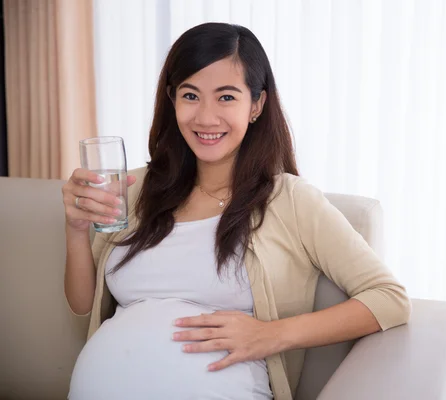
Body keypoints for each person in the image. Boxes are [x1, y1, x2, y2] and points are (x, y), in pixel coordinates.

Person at [62, 22, 411, 400]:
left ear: (256, 105)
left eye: (226, 97)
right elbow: (82, 307)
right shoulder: (133, 189)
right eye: (190, 95)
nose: (205, 117)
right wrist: (76, 230)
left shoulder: (289, 200)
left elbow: (388, 297)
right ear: (172, 100)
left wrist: (271, 334)